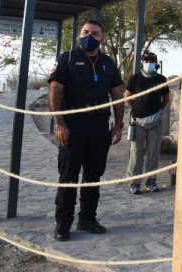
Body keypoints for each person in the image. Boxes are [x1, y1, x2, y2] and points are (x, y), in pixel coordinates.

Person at [48, 20, 125, 242]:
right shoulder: (67, 58)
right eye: (85, 32)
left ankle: (87, 219)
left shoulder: (108, 63)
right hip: (73, 126)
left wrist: (118, 125)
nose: (89, 35)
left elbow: (117, 95)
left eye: (94, 33)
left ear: (101, 37)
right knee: (68, 176)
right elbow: (54, 90)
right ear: (79, 34)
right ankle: (63, 224)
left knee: (93, 176)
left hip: (99, 127)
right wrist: (59, 123)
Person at [125, 52, 170, 195]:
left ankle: (151, 181)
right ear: (142, 62)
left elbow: (166, 98)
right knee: (136, 152)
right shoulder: (135, 78)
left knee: (153, 152)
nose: (149, 63)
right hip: (137, 121)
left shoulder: (162, 79)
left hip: (155, 122)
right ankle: (134, 183)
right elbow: (127, 97)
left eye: (152, 61)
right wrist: (136, 109)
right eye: (146, 60)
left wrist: (158, 111)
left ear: (156, 63)